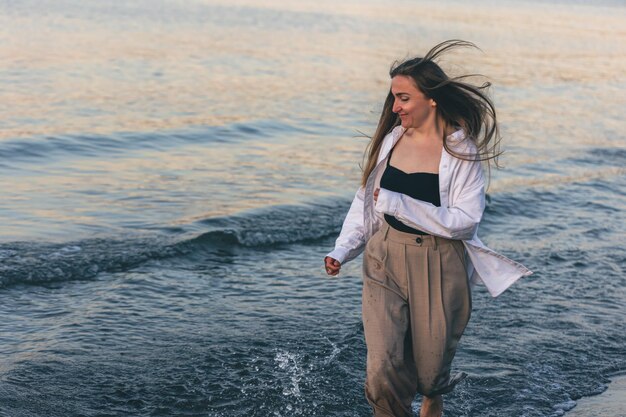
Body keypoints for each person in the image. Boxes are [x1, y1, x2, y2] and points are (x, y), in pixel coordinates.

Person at [323, 40, 533, 417]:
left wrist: (399, 203)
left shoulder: (460, 151)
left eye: (403, 98)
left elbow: (464, 223)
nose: (395, 108)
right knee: (381, 371)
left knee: (431, 371)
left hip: (439, 262)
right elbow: (365, 202)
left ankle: (433, 398)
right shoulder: (391, 139)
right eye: (393, 99)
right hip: (384, 255)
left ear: (431, 99)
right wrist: (342, 250)